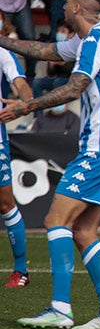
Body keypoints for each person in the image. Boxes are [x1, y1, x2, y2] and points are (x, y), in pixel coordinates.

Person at [0, 0, 100, 329]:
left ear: (75, 9)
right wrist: (2, 41)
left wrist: (26, 106)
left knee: (56, 221)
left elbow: (74, 88)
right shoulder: (93, 40)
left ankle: (60, 308)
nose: (61, 9)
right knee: (84, 232)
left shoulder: (95, 43)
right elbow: (44, 52)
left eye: (66, 4)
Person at [0, 46, 33, 288]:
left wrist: (25, 102)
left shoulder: (2, 52)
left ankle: (20, 269)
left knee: (5, 203)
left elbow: (21, 84)